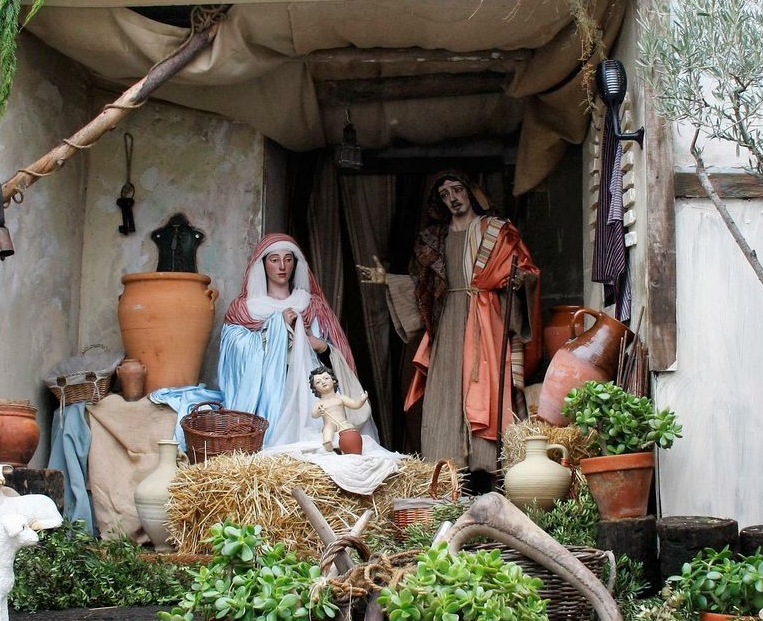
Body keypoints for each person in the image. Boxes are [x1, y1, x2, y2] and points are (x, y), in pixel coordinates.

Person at [360, 173, 539, 476]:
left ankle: (488, 469)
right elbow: (423, 287)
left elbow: (526, 270)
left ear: (471, 193)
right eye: (444, 194)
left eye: (457, 190)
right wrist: (387, 280)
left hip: (487, 319)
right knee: (445, 390)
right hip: (448, 322)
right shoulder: (435, 239)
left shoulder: (496, 231)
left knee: (485, 386)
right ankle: (446, 470)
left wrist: (521, 280)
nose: (453, 198)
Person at [219, 233, 374, 447]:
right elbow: (233, 352)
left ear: (295, 264)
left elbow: (336, 352)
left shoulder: (312, 305)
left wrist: (322, 346)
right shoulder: (245, 309)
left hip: (310, 390)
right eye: (274, 260)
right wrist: (276, 326)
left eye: (288, 259)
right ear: (263, 264)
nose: (282, 266)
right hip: (269, 397)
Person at [309, 366, 368, 454]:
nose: (323, 382)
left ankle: (352, 446)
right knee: (327, 429)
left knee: (350, 428)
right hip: (330, 423)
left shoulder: (341, 398)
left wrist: (361, 400)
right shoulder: (319, 403)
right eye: (318, 382)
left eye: (326, 378)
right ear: (315, 388)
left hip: (343, 422)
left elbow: (355, 405)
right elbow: (313, 415)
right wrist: (319, 412)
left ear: (333, 380)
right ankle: (327, 442)